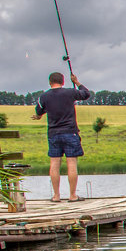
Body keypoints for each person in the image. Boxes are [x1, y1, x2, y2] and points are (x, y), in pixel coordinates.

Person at [32, 71, 92, 202]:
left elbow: (39, 111)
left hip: (54, 134)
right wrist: (77, 83)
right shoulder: (70, 92)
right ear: (63, 82)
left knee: (54, 164)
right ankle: (72, 195)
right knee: (71, 164)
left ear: (50, 82)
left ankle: (56, 196)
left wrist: (40, 114)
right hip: (70, 132)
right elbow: (86, 94)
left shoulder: (44, 97)